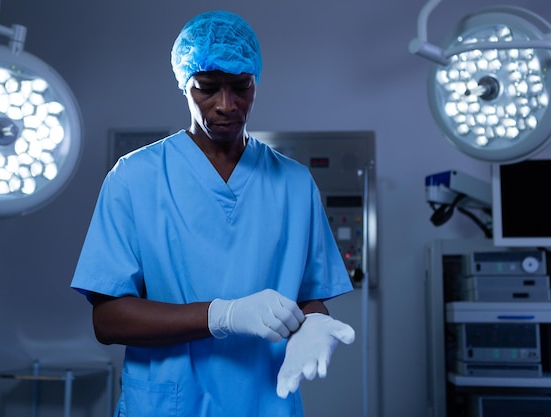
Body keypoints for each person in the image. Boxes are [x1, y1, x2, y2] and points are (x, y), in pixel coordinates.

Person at [71, 9, 355, 417]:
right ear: (184, 84)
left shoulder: (294, 183)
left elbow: (309, 298)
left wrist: (315, 325)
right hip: (170, 403)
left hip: (265, 401)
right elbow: (109, 320)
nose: (226, 105)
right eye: (207, 88)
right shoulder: (135, 178)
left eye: (241, 87)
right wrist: (224, 315)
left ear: (256, 81)